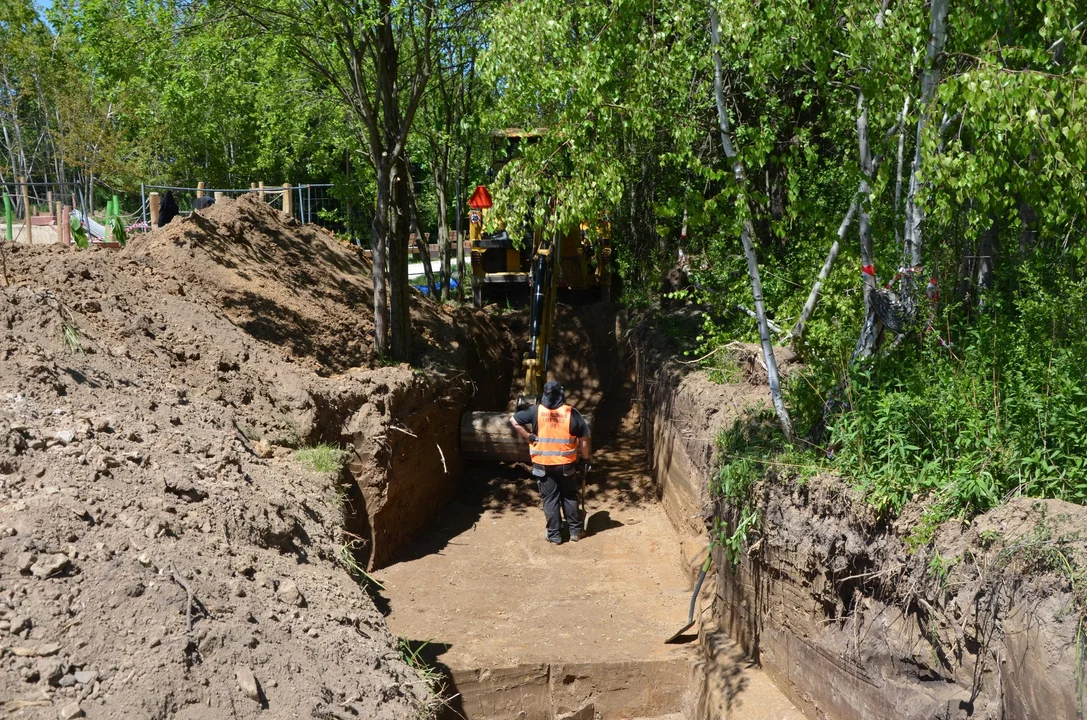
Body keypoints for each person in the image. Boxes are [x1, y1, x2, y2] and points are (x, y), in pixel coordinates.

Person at [509, 381, 592, 545]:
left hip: (542, 464)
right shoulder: (571, 413)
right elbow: (584, 438)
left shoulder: (535, 411)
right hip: (566, 465)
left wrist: (528, 436)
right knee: (569, 496)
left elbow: (513, 420)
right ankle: (575, 531)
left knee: (550, 498)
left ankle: (554, 535)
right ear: (561, 395)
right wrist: (585, 459)